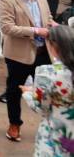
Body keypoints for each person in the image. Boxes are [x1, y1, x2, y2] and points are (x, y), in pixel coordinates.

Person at [0, 0, 53, 143]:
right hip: (18, 55)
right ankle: (15, 124)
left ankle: (52, 125)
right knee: (14, 92)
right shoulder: (7, 0)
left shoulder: (42, 0)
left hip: (43, 53)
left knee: (48, 91)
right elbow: (7, 28)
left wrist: (54, 26)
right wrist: (36, 30)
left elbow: (48, 19)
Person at [22, 25, 74, 156]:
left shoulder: (47, 73)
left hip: (53, 136)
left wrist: (27, 93)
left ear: (53, 45)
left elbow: (40, 107)